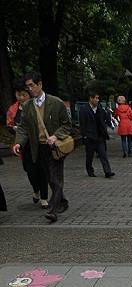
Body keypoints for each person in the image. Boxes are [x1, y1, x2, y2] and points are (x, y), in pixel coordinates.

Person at [13, 70, 72, 223]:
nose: (29, 89)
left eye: (31, 85)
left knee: (55, 178)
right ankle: (63, 201)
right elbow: (23, 128)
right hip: (38, 148)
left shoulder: (56, 103)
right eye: (27, 86)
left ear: (40, 84)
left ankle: (52, 211)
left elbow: (67, 125)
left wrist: (55, 135)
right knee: (50, 179)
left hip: (54, 147)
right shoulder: (27, 106)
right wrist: (19, 142)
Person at [7, 79, 49, 208]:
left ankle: (44, 197)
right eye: (18, 94)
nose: (21, 97)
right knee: (30, 171)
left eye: (23, 94)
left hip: (40, 143)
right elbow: (10, 124)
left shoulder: (36, 105)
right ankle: (36, 189)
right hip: (25, 146)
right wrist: (15, 131)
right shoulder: (13, 109)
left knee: (43, 170)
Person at [79, 90, 115, 178]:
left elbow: (106, 119)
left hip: (99, 136)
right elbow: (82, 123)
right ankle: (90, 170)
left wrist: (108, 113)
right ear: (91, 98)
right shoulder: (84, 109)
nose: (97, 100)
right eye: (96, 98)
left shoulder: (100, 109)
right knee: (89, 156)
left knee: (103, 154)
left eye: (98, 98)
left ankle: (107, 171)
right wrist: (84, 136)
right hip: (90, 136)